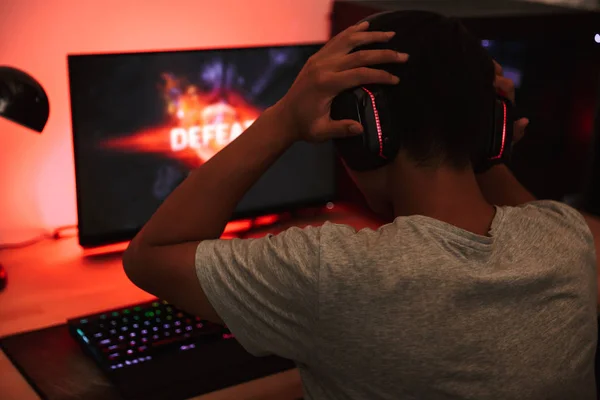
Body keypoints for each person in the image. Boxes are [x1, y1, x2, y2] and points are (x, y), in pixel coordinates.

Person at [123, 10, 599, 400]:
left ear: (368, 134)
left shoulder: (338, 273)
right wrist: (485, 145)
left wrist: (285, 117)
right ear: (494, 129)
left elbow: (149, 256)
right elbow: (530, 214)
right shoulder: (570, 242)